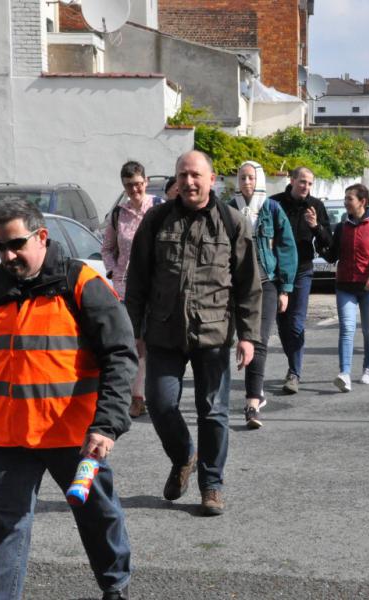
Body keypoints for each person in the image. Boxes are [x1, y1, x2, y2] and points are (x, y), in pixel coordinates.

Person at [0, 199, 137, 600]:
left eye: (16, 244)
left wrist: (107, 425)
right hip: (7, 437)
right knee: (4, 528)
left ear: (42, 237)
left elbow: (120, 356)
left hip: (75, 436)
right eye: (0, 247)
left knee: (97, 515)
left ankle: (115, 586)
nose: (7, 255)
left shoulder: (83, 284)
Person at [125, 150, 261, 516]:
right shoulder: (156, 221)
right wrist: (134, 330)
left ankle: (211, 485)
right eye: (183, 175)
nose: (189, 182)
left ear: (212, 179)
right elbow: (136, 280)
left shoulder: (231, 223)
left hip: (213, 334)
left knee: (213, 412)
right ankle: (184, 454)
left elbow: (249, 284)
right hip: (163, 332)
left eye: (196, 175)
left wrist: (248, 336)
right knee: (159, 402)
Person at [229, 161, 297, 429]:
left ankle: (252, 402)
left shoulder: (272, 208)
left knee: (258, 341)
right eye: (243, 177)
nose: (247, 182)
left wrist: (286, 289)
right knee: (238, 339)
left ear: (259, 180)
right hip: (236, 285)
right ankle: (250, 394)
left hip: (267, 283)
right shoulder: (228, 209)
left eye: (251, 177)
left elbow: (287, 247)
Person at [101, 160, 163, 419]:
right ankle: (137, 397)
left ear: (146, 182)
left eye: (138, 184)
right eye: (129, 186)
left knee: (157, 341)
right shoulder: (118, 213)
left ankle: (156, 393)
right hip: (127, 289)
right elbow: (106, 248)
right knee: (134, 342)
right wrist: (114, 271)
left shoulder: (159, 208)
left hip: (158, 285)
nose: (135, 190)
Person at [270, 167, 332, 393]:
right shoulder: (274, 203)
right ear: (292, 180)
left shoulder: (316, 206)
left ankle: (294, 373)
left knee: (296, 322)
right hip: (276, 271)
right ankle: (292, 365)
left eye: (310, 183)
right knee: (283, 323)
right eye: (302, 182)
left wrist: (316, 226)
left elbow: (328, 242)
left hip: (302, 270)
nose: (306, 187)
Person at [325, 184, 369, 391]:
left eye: (349, 199)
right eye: (345, 199)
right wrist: (316, 230)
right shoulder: (342, 226)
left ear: (362, 202)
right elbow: (331, 255)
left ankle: (368, 368)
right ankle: (344, 373)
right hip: (345, 285)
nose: (346, 202)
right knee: (346, 329)